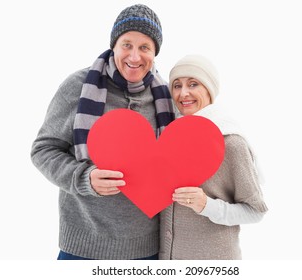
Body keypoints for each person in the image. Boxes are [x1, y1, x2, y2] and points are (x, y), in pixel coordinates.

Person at [30, 4, 175, 260]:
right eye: (127, 44)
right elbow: (43, 150)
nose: (134, 56)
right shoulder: (78, 86)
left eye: (144, 47)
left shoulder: (164, 96)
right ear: (114, 46)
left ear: (155, 52)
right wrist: (84, 177)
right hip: (84, 245)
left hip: (148, 249)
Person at [159, 55, 268, 260]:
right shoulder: (169, 138)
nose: (183, 93)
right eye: (176, 85)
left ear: (209, 89)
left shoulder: (231, 143)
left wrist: (206, 205)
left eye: (193, 84)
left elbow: (256, 211)